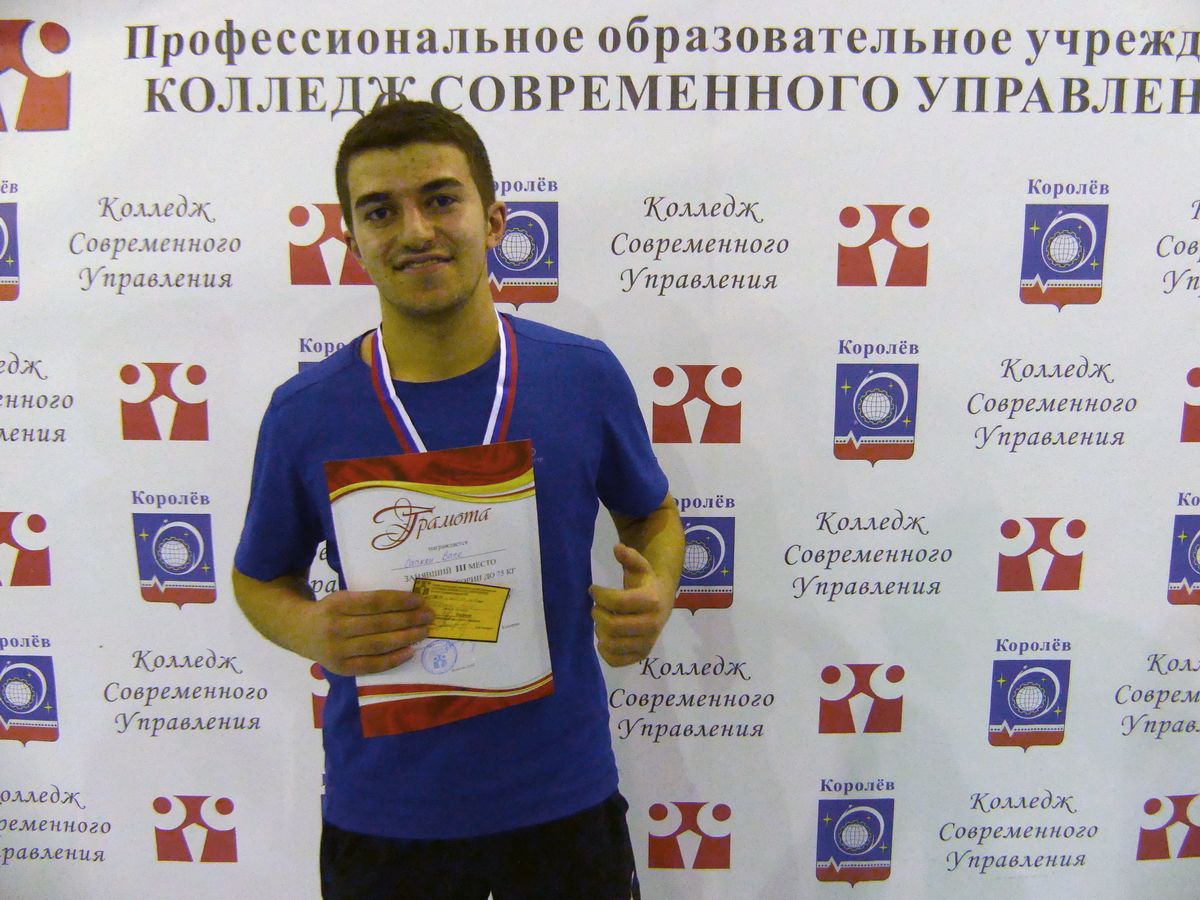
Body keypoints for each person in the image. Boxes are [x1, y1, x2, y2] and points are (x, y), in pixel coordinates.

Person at [232, 100, 683, 899]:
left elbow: (652, 515)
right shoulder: (303, 413)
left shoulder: (582, 376)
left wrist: (658, 592)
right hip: (388, 813)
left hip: (562, 796)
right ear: (352, 239)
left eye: (440, 198)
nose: (415, 230)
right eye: (380, 210)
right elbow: (258, 577)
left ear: (494, 218)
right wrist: (308, 627)